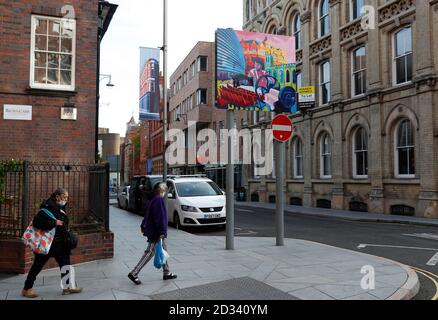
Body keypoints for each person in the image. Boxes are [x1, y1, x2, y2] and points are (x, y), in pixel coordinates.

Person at [22, 188, 82, 298]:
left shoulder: (59, 207)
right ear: (57, 196)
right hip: (48, 245)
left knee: (65, 265)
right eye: (64, 197)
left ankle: (67, 287)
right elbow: (37, 222)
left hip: (61, 244)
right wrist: (54, 222)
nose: (66, 199)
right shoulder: (47, 208)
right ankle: (27, 289)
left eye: (67, 198)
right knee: (37, 266)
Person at [128, 183, 177, 285]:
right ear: (159, 190)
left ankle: (166, 272)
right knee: (150, 252)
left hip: (155, 230)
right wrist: (162, 232)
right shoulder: (158, 200)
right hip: (156, 232)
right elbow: (159, 218)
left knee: (163, 250)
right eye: (164, 189)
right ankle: (134, 272)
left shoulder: (154, 199)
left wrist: (143, 225)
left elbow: (148, 215)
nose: (165, 192)